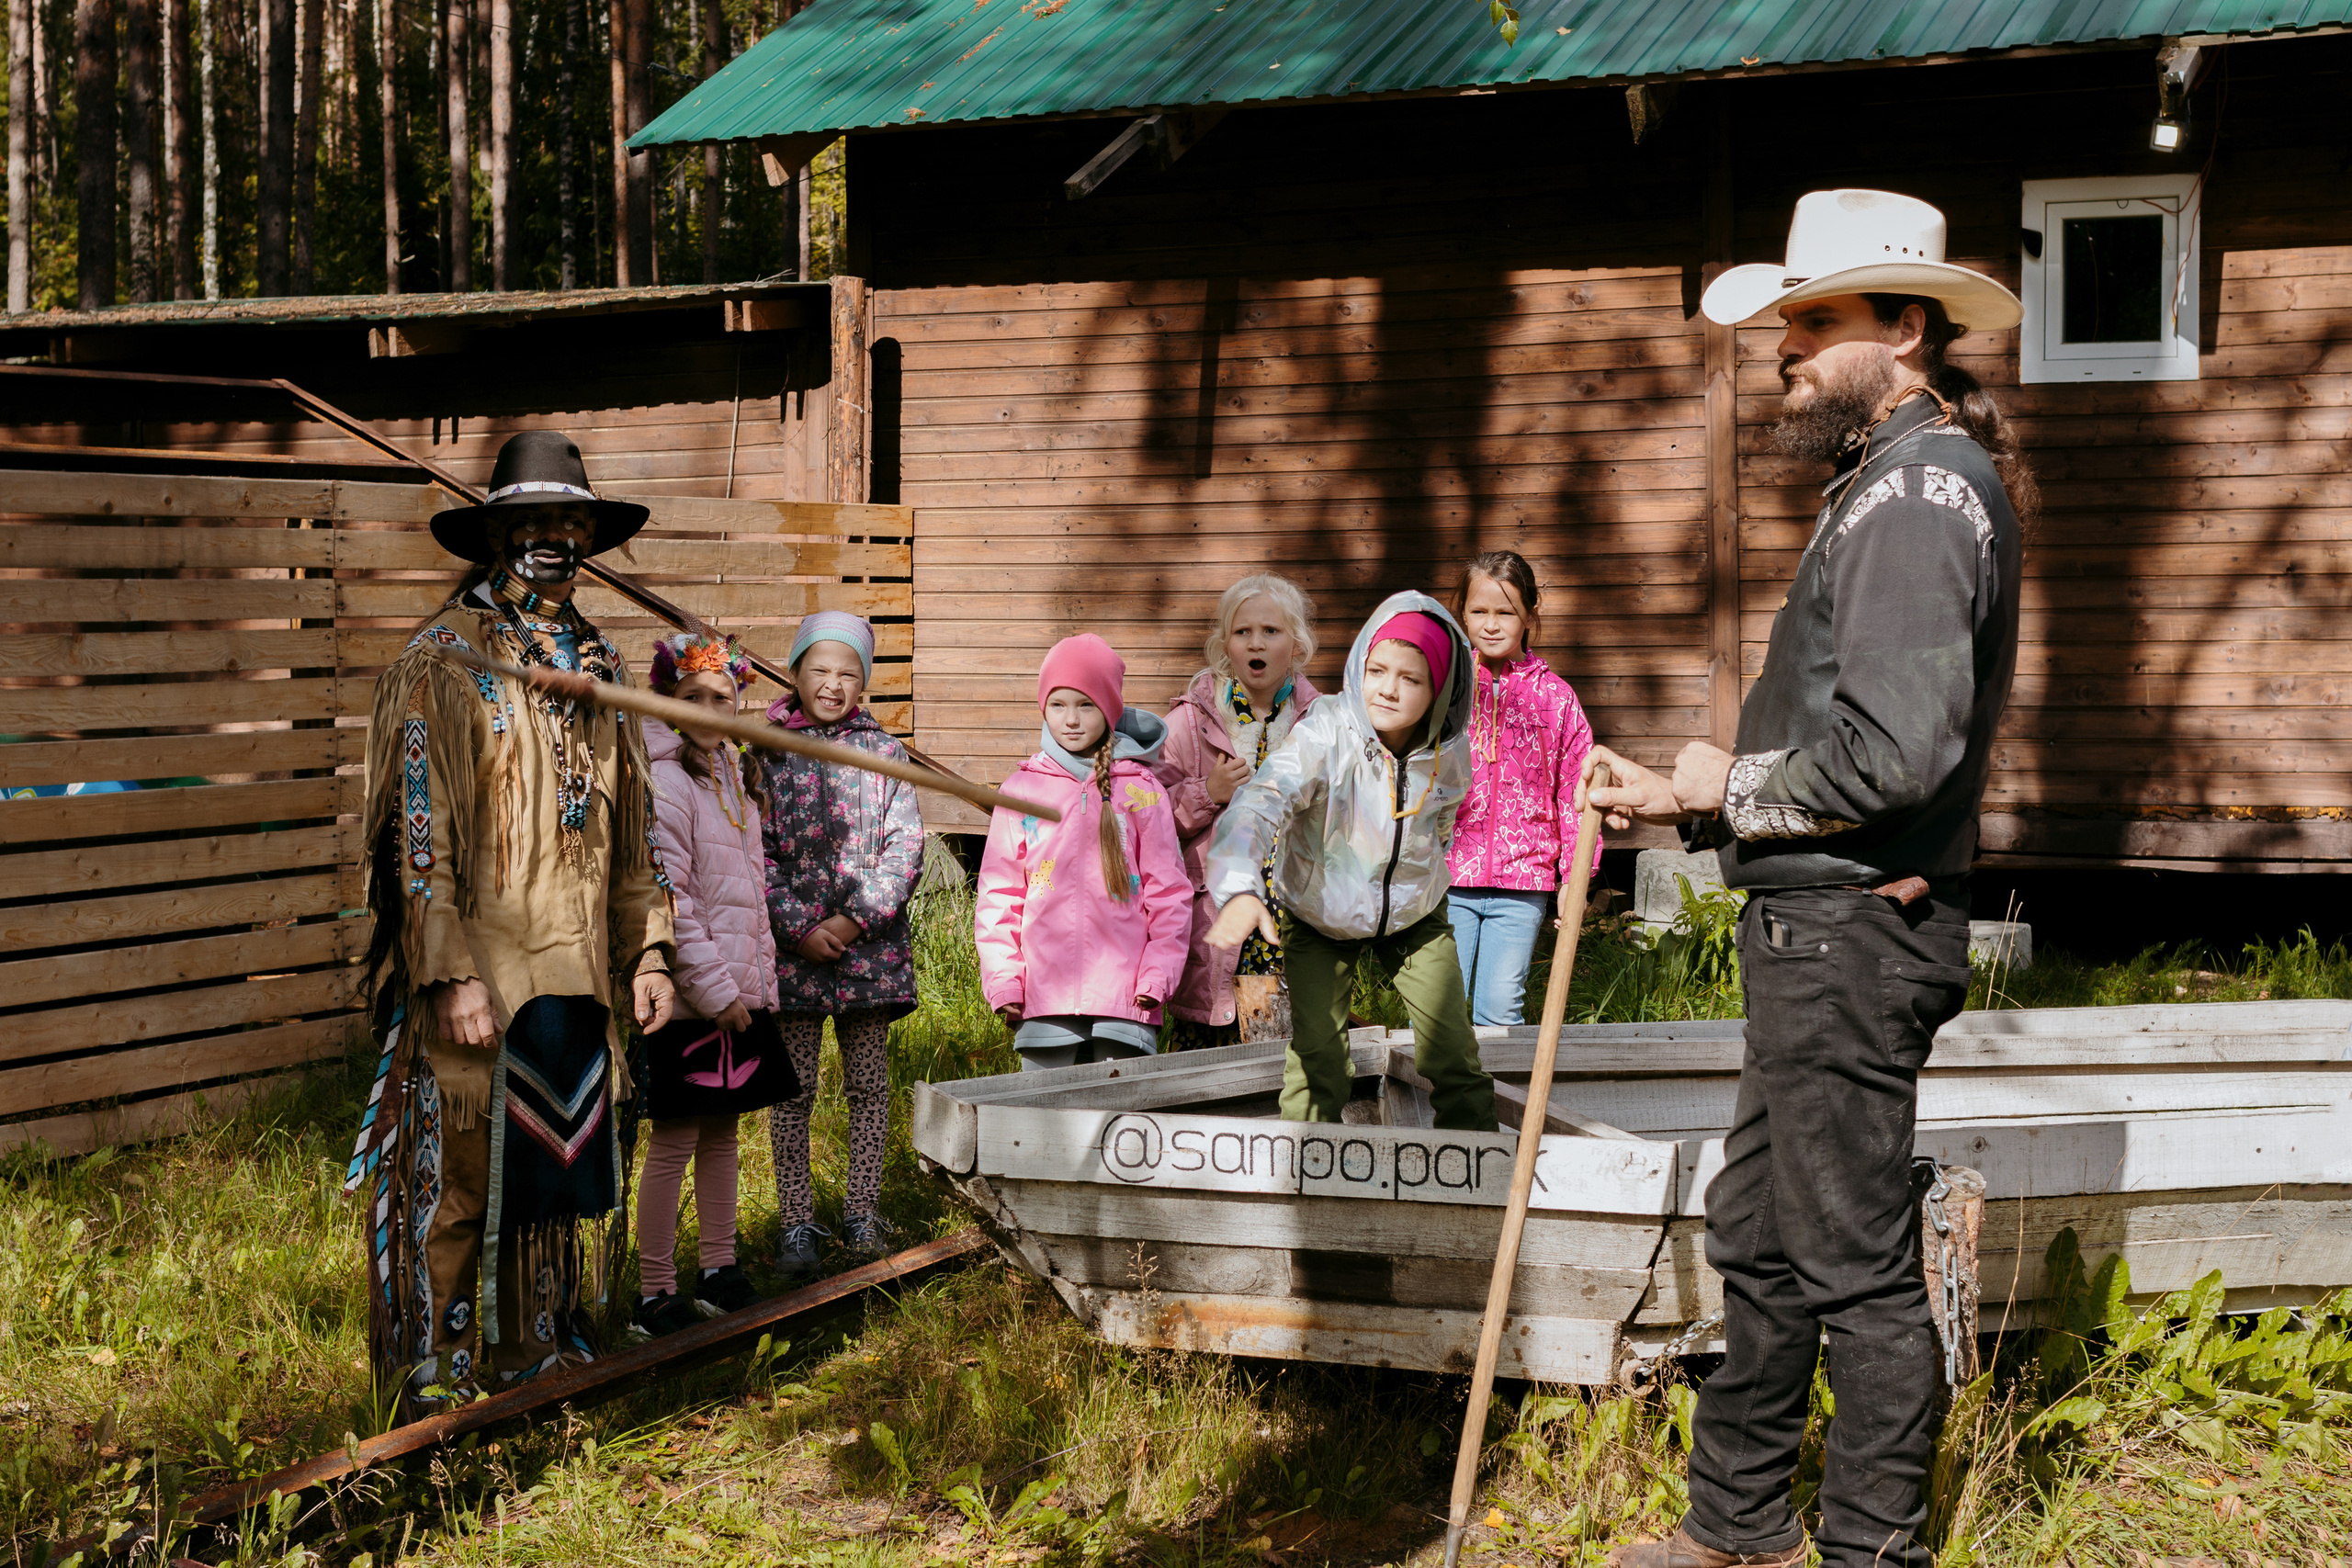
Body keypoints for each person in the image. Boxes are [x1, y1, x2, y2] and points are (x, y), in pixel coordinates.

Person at [1582, 190, 2032, 1568]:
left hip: (1855, 930)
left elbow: (1898, 754)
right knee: (1761, 1232)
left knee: (1849, 1263)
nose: (1782, 349)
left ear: (1906, 328)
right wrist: (1680, 796)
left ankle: (1870, 1553)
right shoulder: (1883, 484)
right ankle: (1737, 1529)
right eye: (1783, 325)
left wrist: (1727, 786)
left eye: (1811, 321)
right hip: (1814, 926)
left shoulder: (1916, 495)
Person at [348, 430, 676, 1414]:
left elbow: (633, 834)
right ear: (494, 537)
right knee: (461, 1170)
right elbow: (418, 834)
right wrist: (445, 972)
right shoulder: (444, 665)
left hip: (576, 972)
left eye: (571, 522)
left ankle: (532, 1345)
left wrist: (649, 951)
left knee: (553, 1172)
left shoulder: (600, 668)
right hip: (485, 970)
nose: (555, 540)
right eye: (532, 523)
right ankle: (433, 1364)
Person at [1203, 593, 1495, 1131]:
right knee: (1320, 1060)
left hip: (1413, 914)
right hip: (1320, 912)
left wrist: (1421, 874)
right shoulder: (1326, 732)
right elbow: (1261, 799)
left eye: (1410, 679)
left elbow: (1444, 816)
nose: (1386, 688)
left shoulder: (1449, 749)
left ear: (1439, 690)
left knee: (1453, 1054)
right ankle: (1302, 1177)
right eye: (1377, 669)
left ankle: (1480, 1177)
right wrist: (1240, 886)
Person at [633, 632, 799, 1337]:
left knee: (725, 1136)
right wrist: (714, 986)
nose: (707, 708)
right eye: (691, 697)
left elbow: (750, 892)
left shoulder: (732, 776)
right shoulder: (667, 781)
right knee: (674, 1141)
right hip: (696, 998)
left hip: (739, 994)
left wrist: (757, 986)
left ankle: (720, 1267)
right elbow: (676, 899)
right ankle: (655, 1287)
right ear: (667, 703)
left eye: (720, 698)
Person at [753, 611, 925, 1276]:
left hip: (868, 956)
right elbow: (754, 852)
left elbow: (904, 848)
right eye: (819, 669)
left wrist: (852, 922)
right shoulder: (764, 752)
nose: (833, 683)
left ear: (864, 684)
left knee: (869, 1087)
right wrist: (797, 927)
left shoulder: (883, 754)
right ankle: (796, 1222)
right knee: (792, 1091)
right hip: (794, 960)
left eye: (848, 673)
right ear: (794, 672)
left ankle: (862, 1212)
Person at [975, 633, 1189, 1074]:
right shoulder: (1022, 790)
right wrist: (1004, 979)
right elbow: (999, 895)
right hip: (1042, 997)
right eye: (1058, 705)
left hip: (1125, 998)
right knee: (1041, 1126)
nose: (1071, 719)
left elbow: (1168, 892)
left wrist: (1157, 976)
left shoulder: (1142, 791)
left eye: (1086, 705)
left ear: (1109, 709)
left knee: (1118, 1128)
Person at [1154, 574, 1324, 1050]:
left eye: (1271, 631)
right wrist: (1207, 791)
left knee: (1284, 1062)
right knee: (1208, 1063)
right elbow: (1149, 820)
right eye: (1243, 631)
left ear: (1296, 644)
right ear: (1225, 644)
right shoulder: (1189, 724)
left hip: (1290, 927)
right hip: (1215, 925)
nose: (1257, 642)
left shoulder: (1321, 723)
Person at [1445, 550, 1601, 1026]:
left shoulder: (1556, 699)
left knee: (1498, 1009)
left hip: (1523, 881)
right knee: (1440, 1011)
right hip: (1447, 878)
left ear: (1531, 614)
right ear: (1461, 614)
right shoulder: (1444, 689)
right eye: (1479, 611)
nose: (1491, 624)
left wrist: (1575, 878)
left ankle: (1499, 1102)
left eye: (1506, 612)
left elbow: (1576, 797)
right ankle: (1436, 1102)